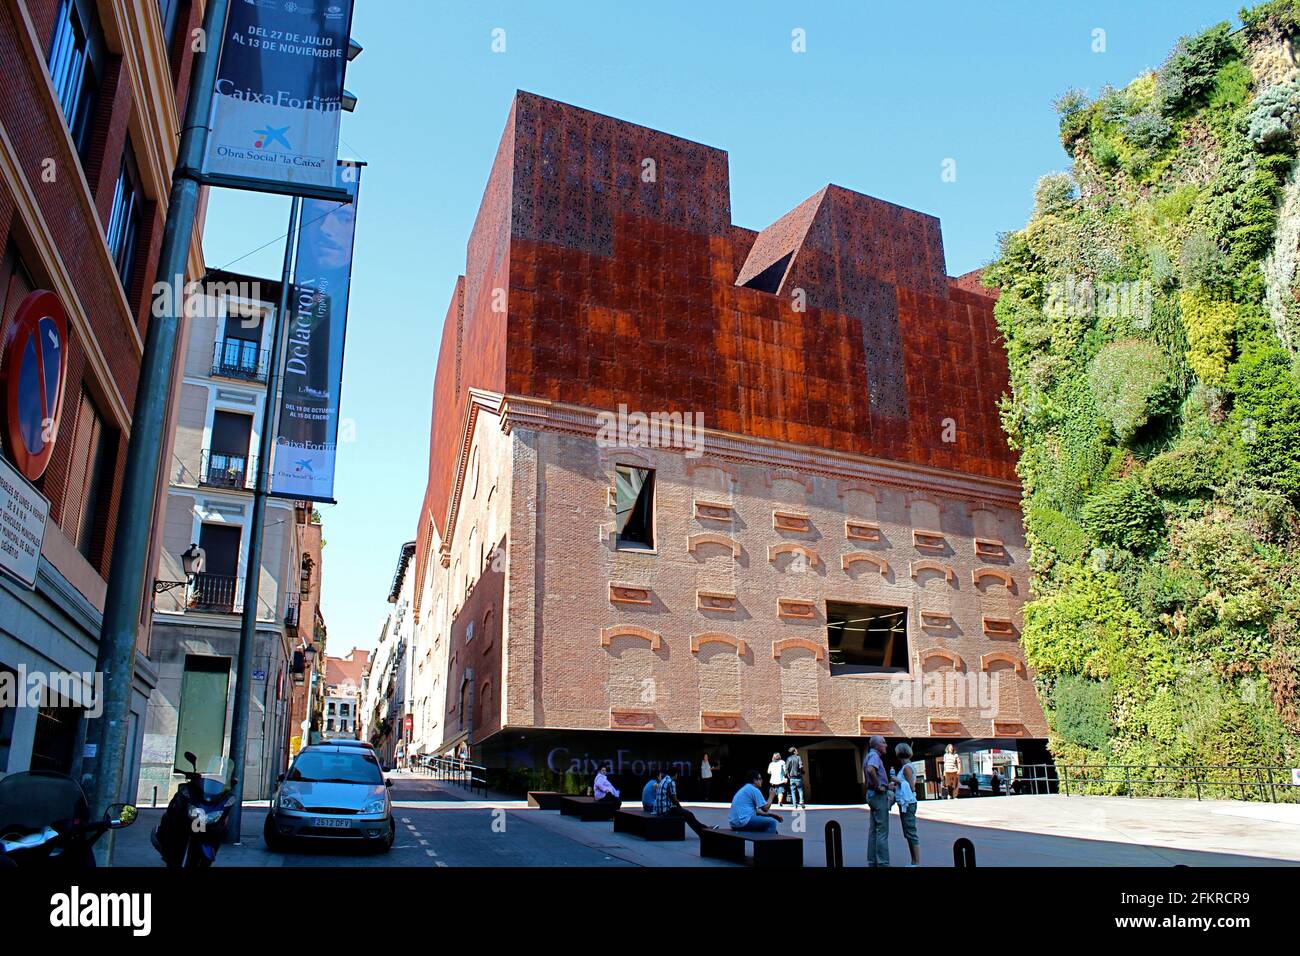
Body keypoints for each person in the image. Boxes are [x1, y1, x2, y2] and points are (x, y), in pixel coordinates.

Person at [654, 769, 713, 836]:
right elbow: (674, 799)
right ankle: (705, 830)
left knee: (686, 814)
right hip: (665, 811)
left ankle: (702, 831)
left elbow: (670, 797)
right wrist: (680, 808)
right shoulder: (671, 782)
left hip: (660, 810)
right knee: (689, 814)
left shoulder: (663, 781)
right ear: (675, 775)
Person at [863, 735, 893, 866]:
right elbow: (870, 769)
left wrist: (885, 784)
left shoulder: (869, 756)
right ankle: (883, 862)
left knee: (873, 830)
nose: (886, 745)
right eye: (884, 743)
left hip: (871, 794)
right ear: (876, 745)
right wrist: (878, 785)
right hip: (877, 795)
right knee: (882, 831)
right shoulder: (875, 756)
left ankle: (872, 861)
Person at [894, 743, 920, 867]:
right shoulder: (906, 767)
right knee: (908, 832)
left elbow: (911, 787)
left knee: (910, 832)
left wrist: (897, 781)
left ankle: (915, 861)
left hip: (908, 803)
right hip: (905, 803)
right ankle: (913, 860)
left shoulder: (906, 768)